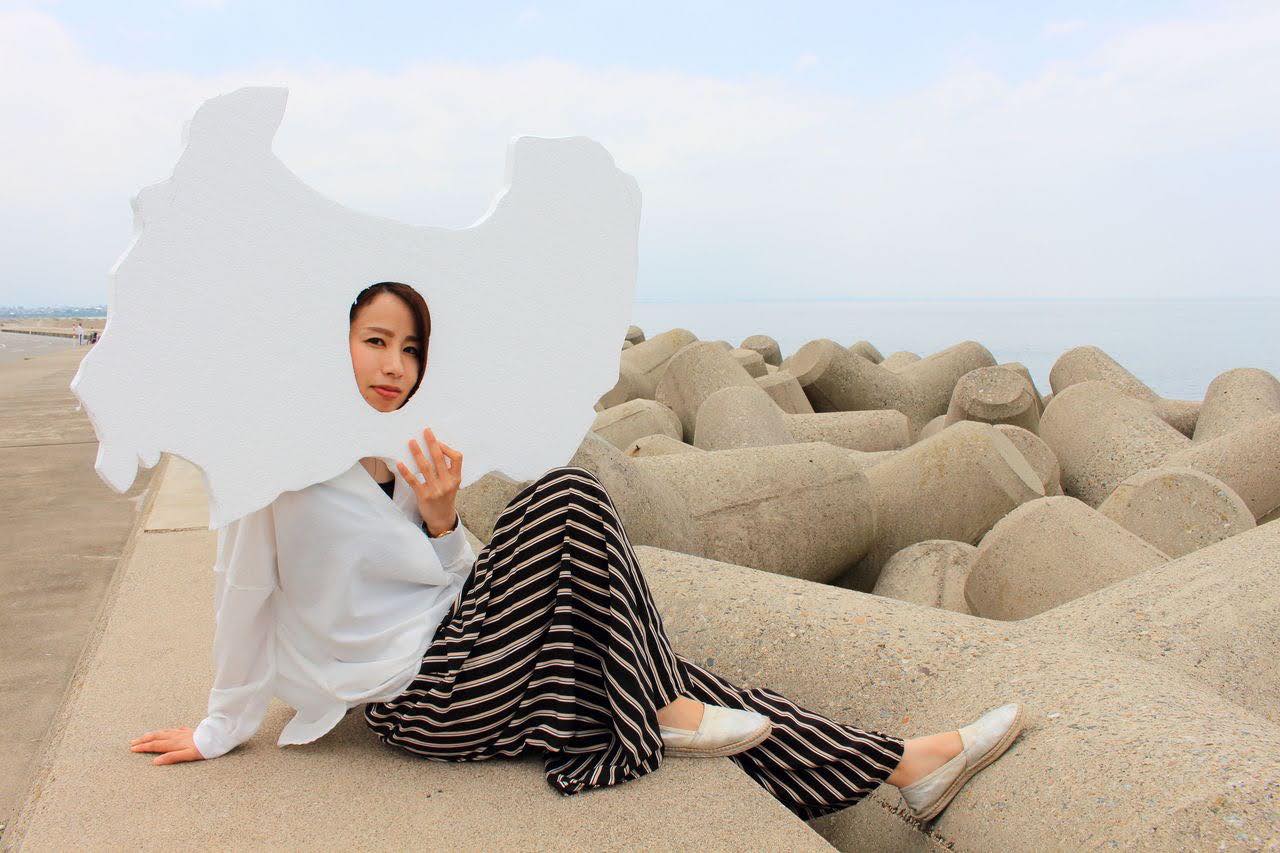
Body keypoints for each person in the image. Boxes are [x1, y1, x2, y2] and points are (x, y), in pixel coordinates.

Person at [129, 281, 1025, 823]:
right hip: (421, 700)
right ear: (335, 347)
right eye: (375, 342)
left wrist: (439, 522)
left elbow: (451, 584)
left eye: (410, 348)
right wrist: (218, 725)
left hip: (463, 650)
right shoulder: (275, 468)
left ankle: (906, 764)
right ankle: (669, 707)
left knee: (680, 676)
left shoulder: (403, 456)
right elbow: (240, 591)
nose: (394, 364)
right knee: (567, 494)